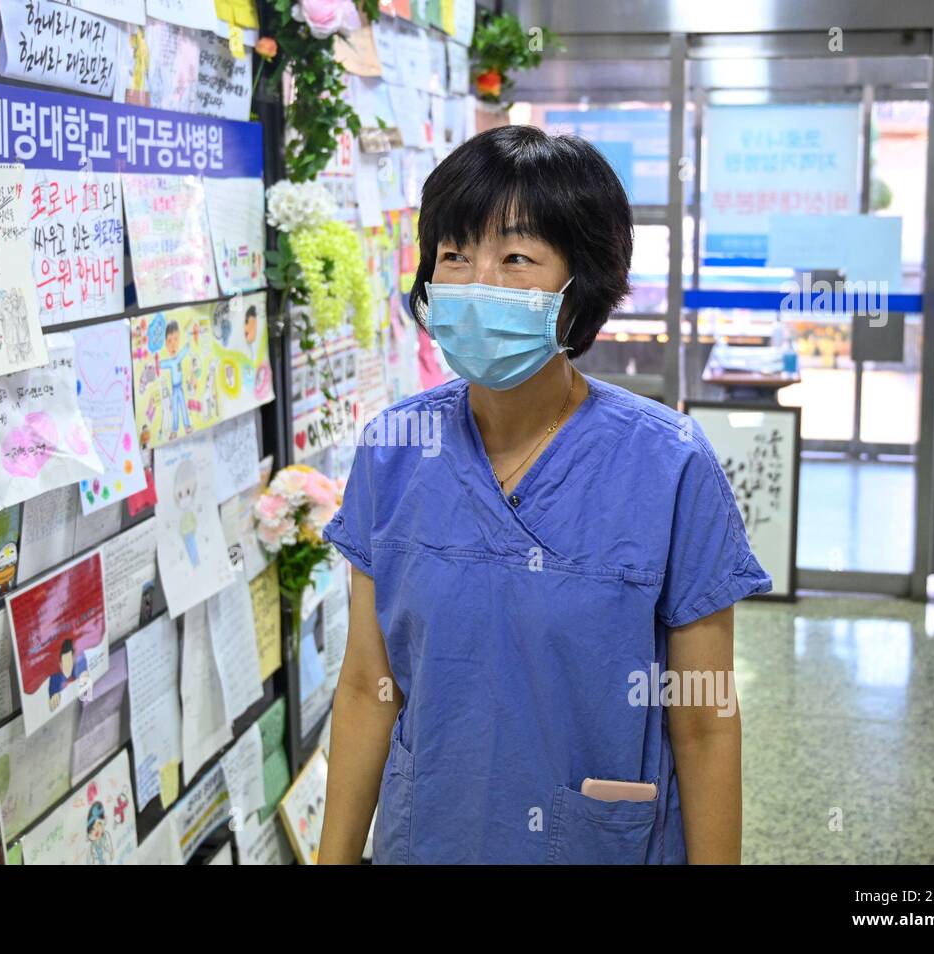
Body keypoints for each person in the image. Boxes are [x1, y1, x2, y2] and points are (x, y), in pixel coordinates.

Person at [318, 125, 771, 865]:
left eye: (517, 257)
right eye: (455, 255)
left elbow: (704, 721)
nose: (476, 283)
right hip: (429, 836)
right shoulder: (394, 451)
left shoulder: (669, 465)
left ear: (580, 282)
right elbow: (370, 684)